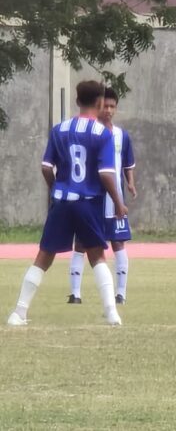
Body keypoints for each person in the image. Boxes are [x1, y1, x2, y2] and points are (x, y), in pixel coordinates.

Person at [7, 80, 126, 326]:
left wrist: (55, 187)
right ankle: (112, 313)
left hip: (62, 202)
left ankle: (18, 312)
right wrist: (118, 201)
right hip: (87, 202)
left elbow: (46, 167)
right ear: (100, 102)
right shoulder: (101, 134)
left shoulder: (59, 129)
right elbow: (106, 173)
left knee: (43, 257)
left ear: (76, 101)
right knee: (97, 256)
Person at [68, 88, 136, 305]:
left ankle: (121, 293)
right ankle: (75, 294)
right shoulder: (89, 133)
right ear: (98, 107)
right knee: (81, 245)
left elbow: (127, 164)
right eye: (104, 105)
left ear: (116, 108)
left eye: (112, 106)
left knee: (118, 244)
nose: (108, 110)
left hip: (114, 201)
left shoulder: (121, 136)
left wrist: (130, 183)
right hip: (90, 200)